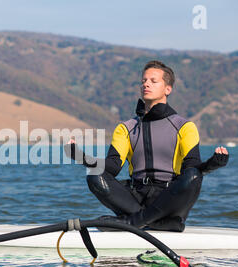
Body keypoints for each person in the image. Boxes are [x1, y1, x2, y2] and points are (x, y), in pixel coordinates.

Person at [65, 60, 229, 232]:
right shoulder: (125, 128)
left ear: (168, 89)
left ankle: (130, 223)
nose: (146, 84)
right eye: (143, 81)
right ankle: (152, 222)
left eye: (153, 81)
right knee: (94, 174)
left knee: (194, 176)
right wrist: (80, 157)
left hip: (168, 199)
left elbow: (191, 168)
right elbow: (112, 167)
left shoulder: (184, 126)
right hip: (135, 198)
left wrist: (213, 164)